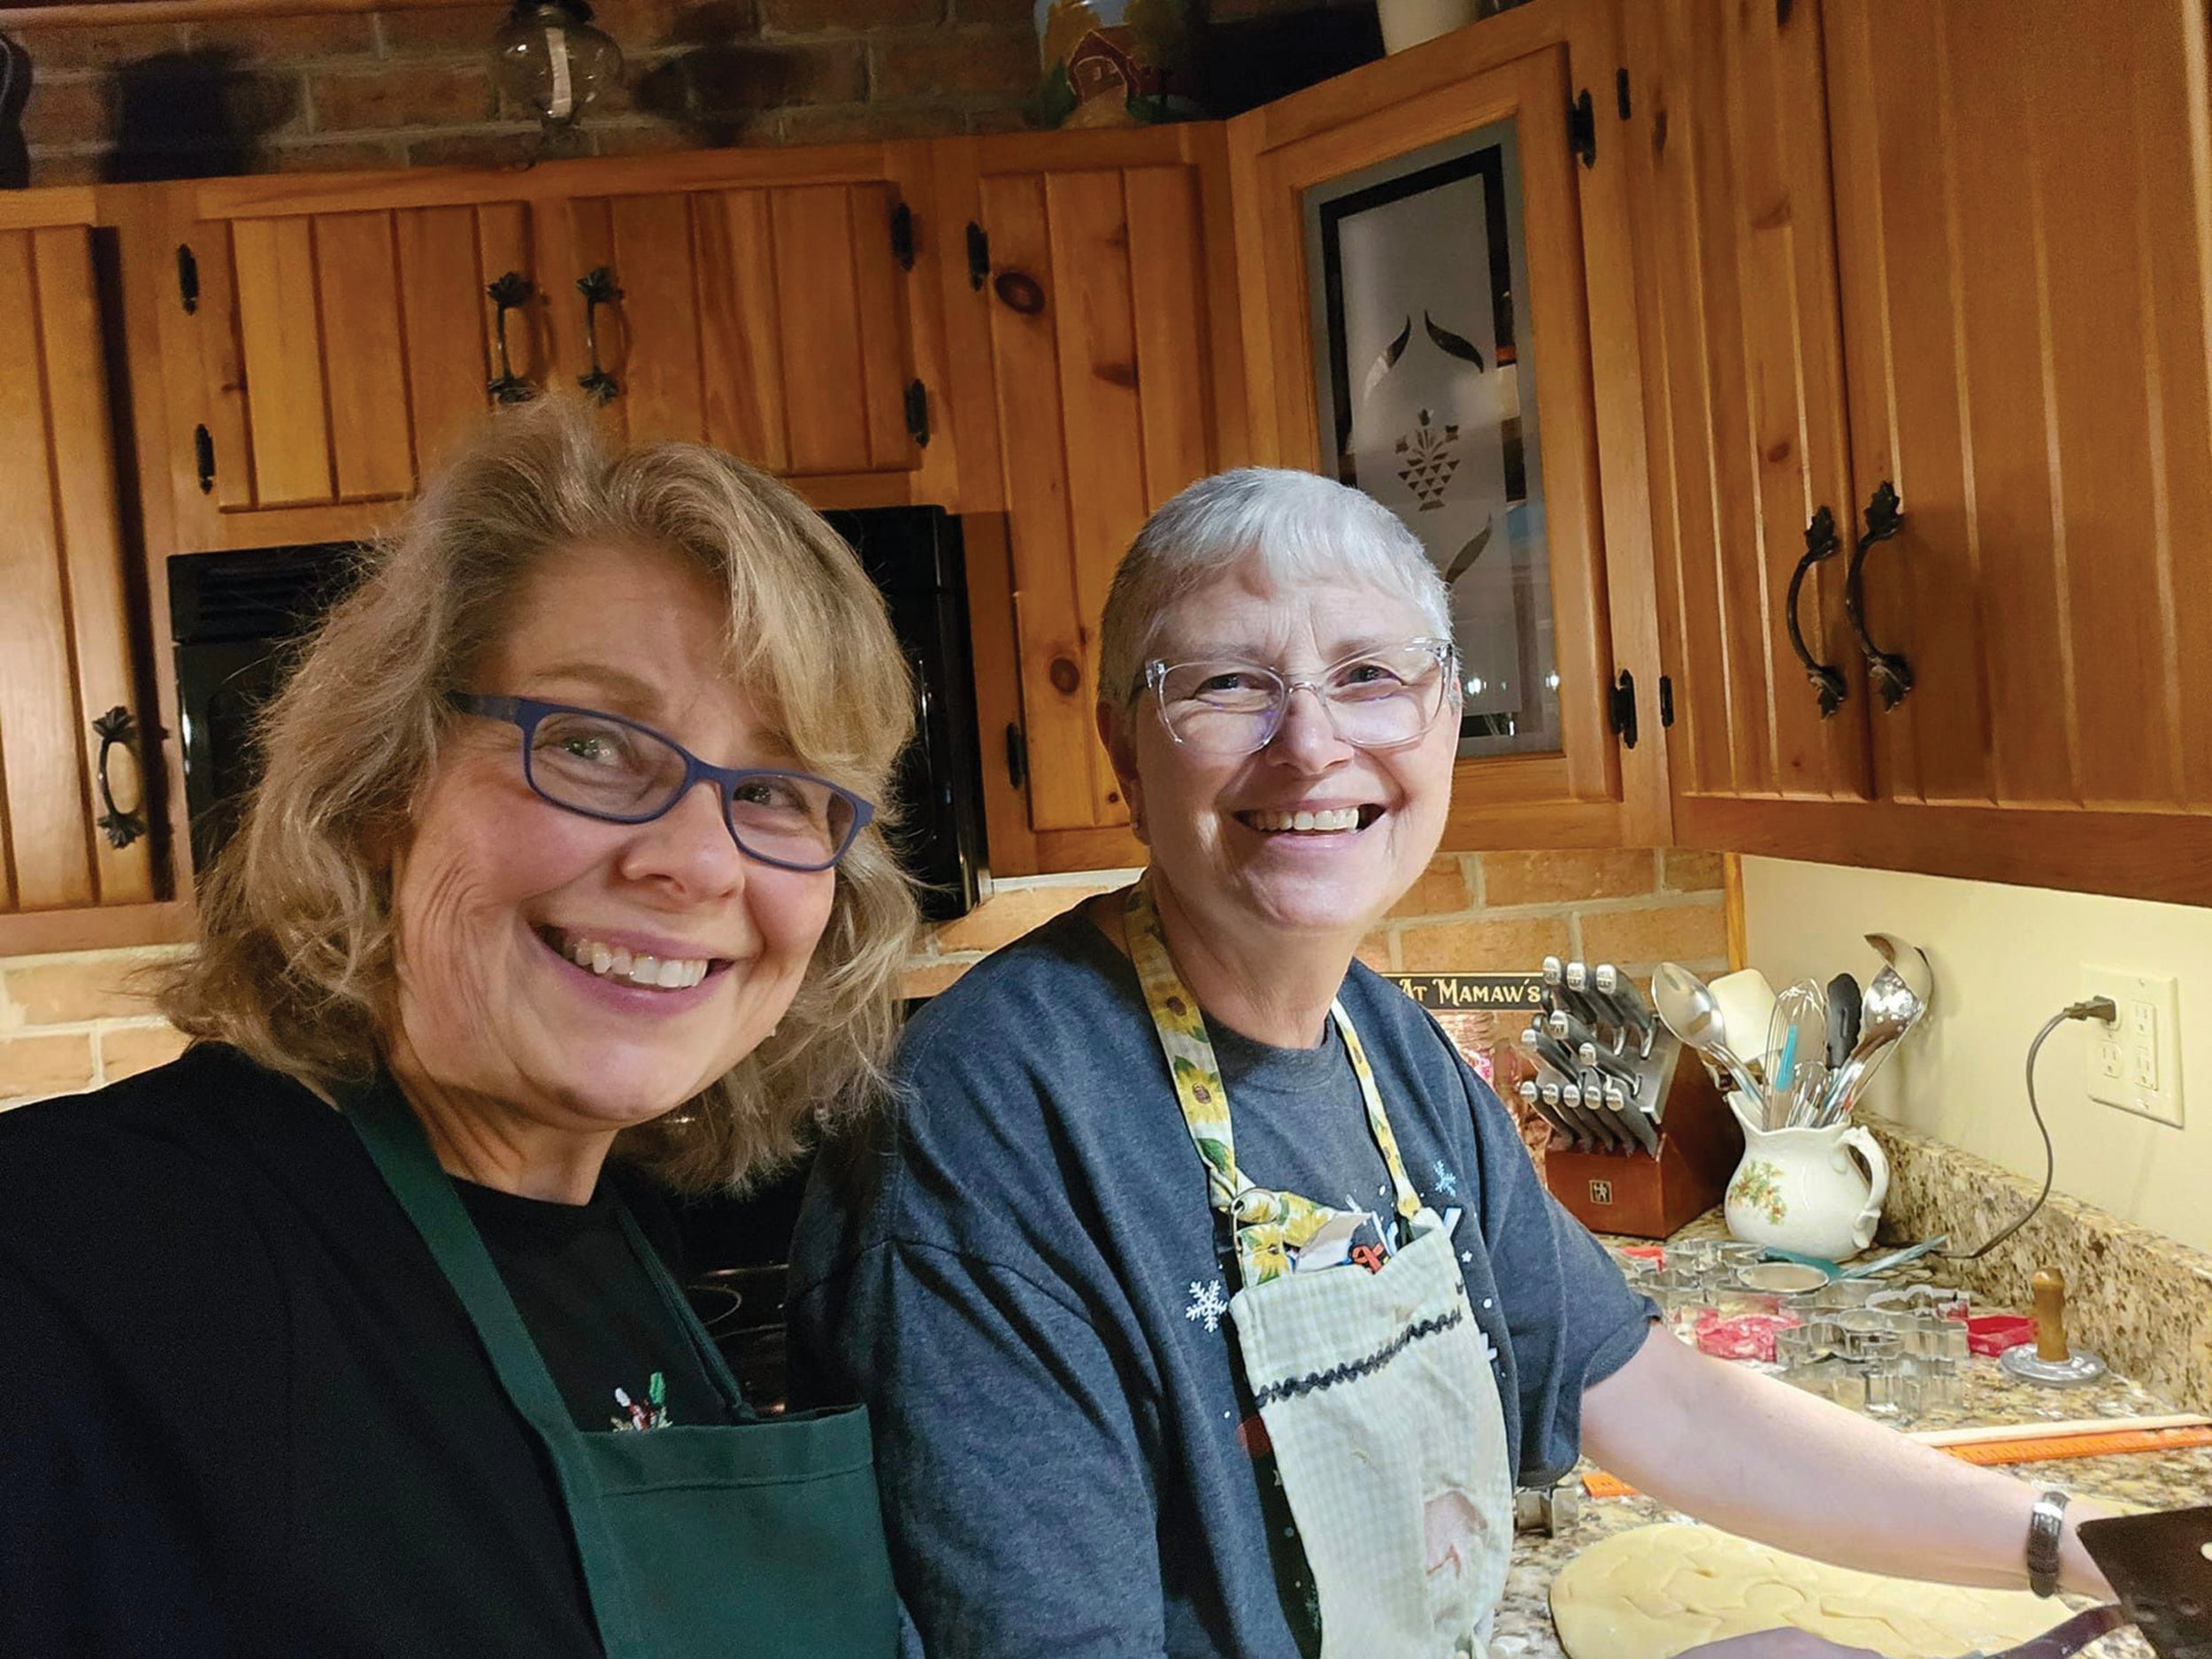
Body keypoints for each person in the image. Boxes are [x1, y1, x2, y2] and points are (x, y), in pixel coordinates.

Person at [789, 467, 2114, 1658]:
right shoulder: (984, 1130)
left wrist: (2063, 1544)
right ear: (1125, 756)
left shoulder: (1387, 1050)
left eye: (1371, 675)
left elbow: (1658, 1402)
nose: (1314, 747)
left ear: (1440, 720)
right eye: (1228, 684)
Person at [0, 400, 919, 1658]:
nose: (698, 863)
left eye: (775, 789)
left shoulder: (617, 1241)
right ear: (386, 787)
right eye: (592, 744)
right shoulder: (77, 1257)